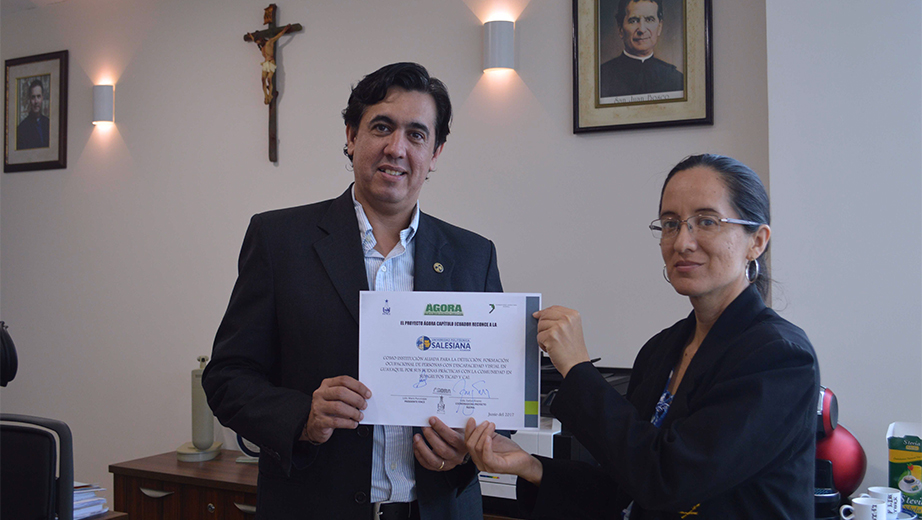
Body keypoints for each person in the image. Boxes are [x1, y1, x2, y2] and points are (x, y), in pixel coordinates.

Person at [203, 62, 503, 520]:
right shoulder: (279, 239)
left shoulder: (474, 256)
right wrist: (302, 416)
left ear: (436, 152)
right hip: (312, 506)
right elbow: (227, 377)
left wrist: (468, 446)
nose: (396, 148)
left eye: (416, 134)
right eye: (381, 126)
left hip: (438, 508)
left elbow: (499, 394)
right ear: (351, 135)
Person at [465, 154, 819, 519]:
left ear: (756, 241)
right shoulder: (661, 349)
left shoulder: (778, 357)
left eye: (707, 221)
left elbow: (669, 481)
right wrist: (529, 466)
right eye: (670, 224)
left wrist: (578, 368)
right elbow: (627, 488)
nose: (682, 241)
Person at [599, 0, 684, 98]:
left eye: (649, 19)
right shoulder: (601, 78)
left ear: (659, 27)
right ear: (620, 29)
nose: (642, 30)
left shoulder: (676, 79)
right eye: (633, 21)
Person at [17, 79, 51, 150]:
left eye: (38, 97)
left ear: (42, 98)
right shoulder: (22, 129)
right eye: (33, 97)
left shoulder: (49, 124)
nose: (36, 101)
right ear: (29, 99)